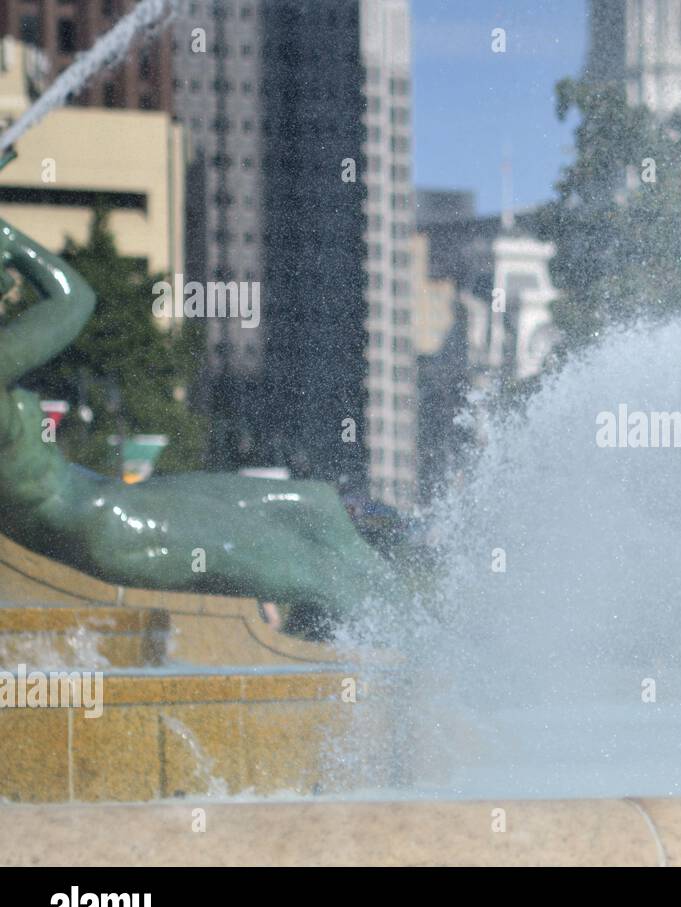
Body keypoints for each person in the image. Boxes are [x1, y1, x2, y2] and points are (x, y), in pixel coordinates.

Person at [0, 215, 406, 636]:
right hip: (114, 529)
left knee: (315, 505)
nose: (9, 288)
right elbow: (74, 299)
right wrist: (11, 237)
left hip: (115, 504)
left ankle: (372, 646)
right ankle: (418, 656)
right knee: (326, 576)